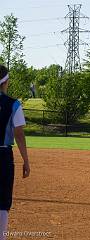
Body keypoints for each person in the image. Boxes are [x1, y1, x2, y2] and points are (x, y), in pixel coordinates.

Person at [0, 64, 30, 240]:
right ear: (6, 82)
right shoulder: (13, 104)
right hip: (3, 156)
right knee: (2, 202)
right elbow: (18, 134)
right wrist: (26, 161)